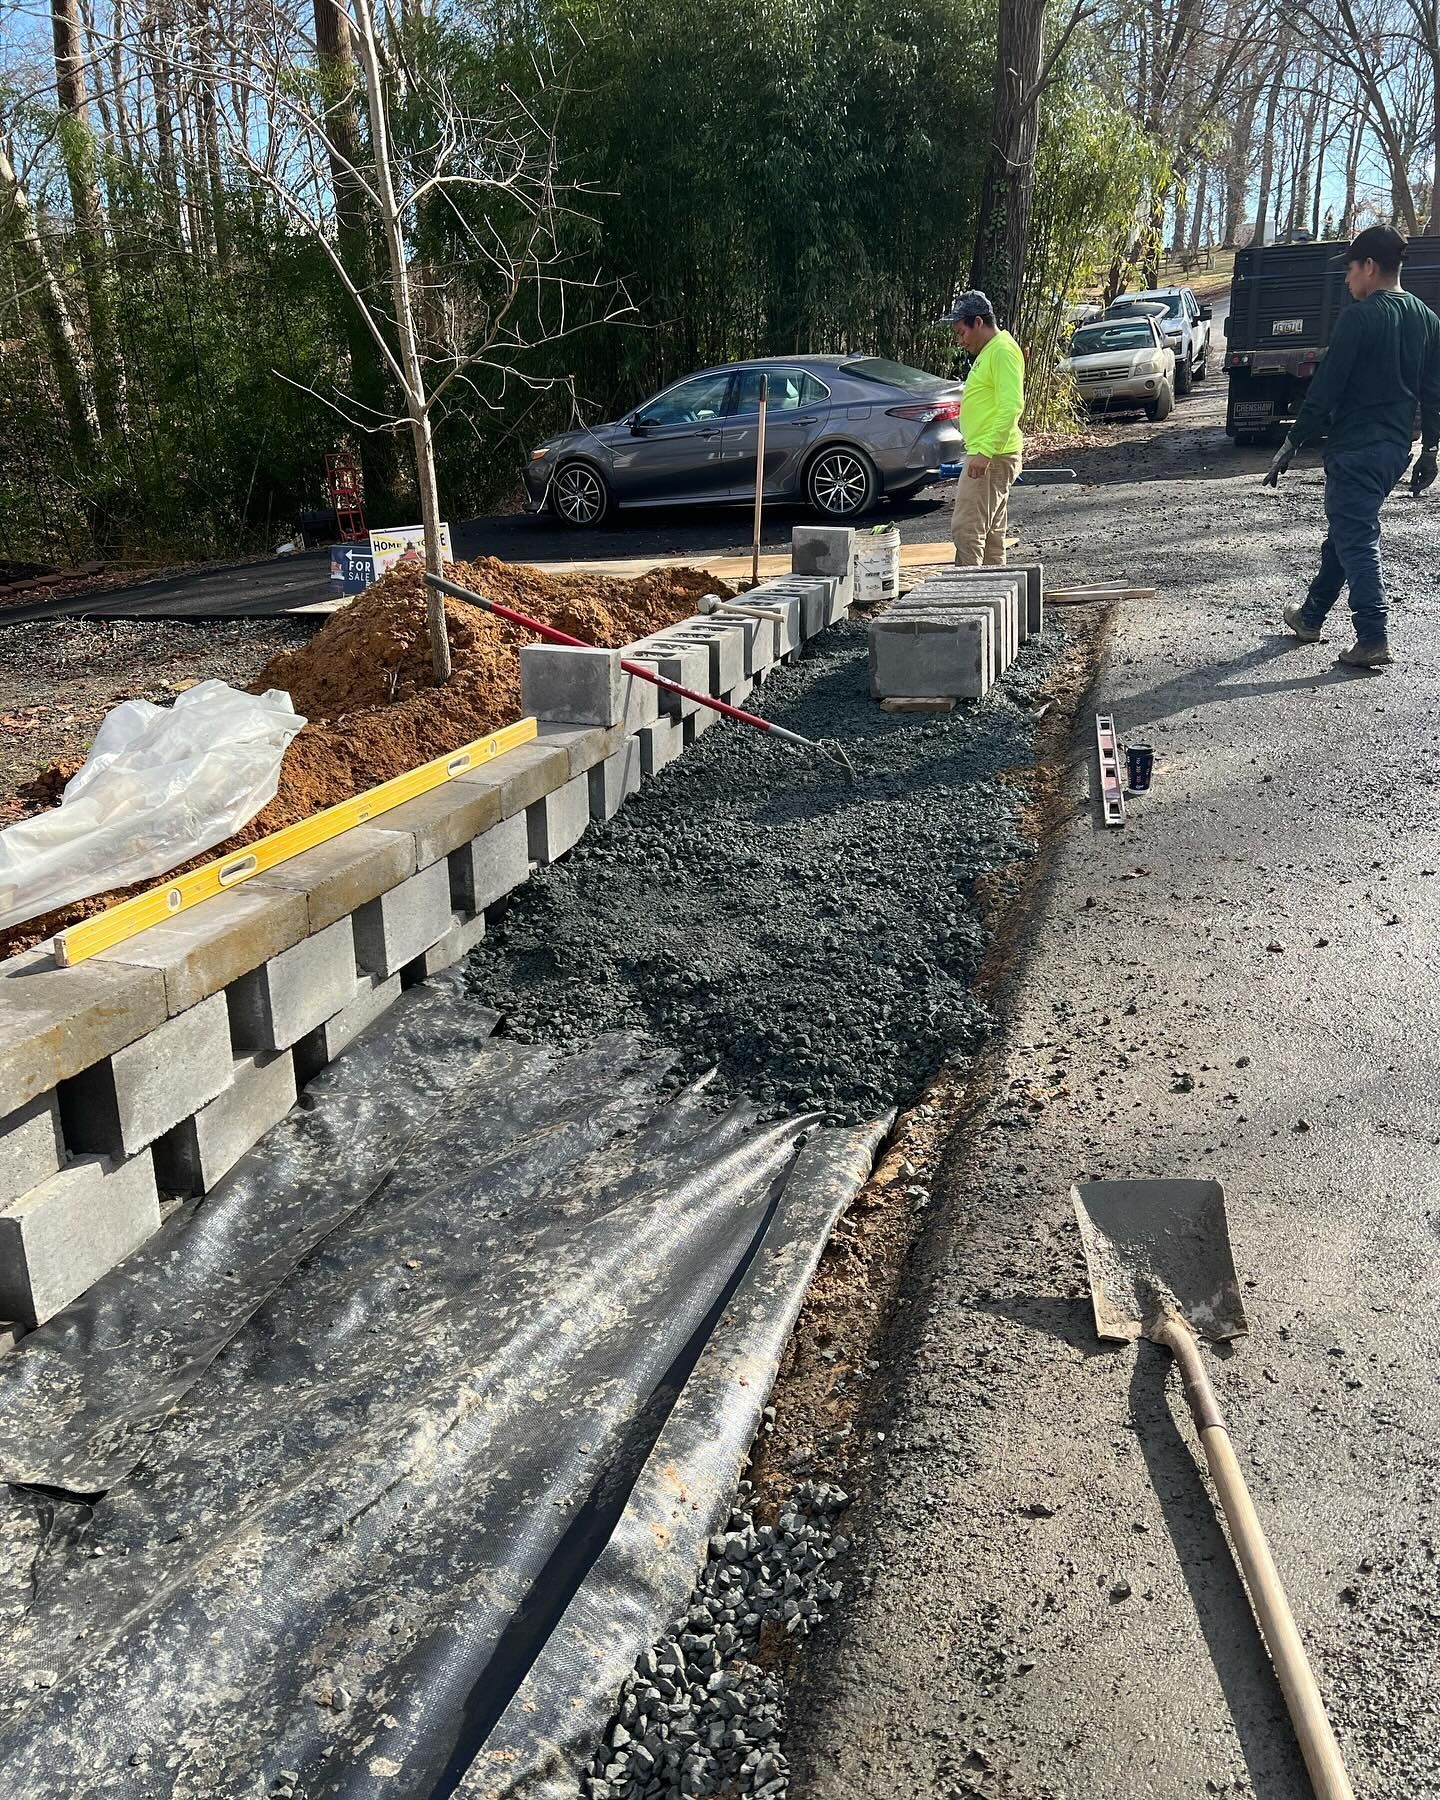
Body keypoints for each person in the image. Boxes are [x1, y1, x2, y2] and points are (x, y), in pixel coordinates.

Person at [1264, 224, 1440, 668]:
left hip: (1355, 449)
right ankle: (1310, 616)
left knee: (1356, 536)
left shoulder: (1360, 317)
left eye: (1349, 270)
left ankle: (1373, 635)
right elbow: (1434, 394)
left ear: (1370, 266)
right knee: (1347, 531)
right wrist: (1432, 452)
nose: (1346, 280)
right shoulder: (1428, 319)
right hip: (1394, 452)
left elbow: (1326, 387)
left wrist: (1291, 442)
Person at [944, 290, 1026, 566]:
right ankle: (996, 599)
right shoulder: (993, 350)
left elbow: (1011, 406)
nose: (961, 340)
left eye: (961, 332)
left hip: (991, 456)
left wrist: (986, 452)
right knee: (991, 536)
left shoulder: (1002, 351)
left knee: (966, 531)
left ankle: (970, 599)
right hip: (991, 454)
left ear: (978, 322)